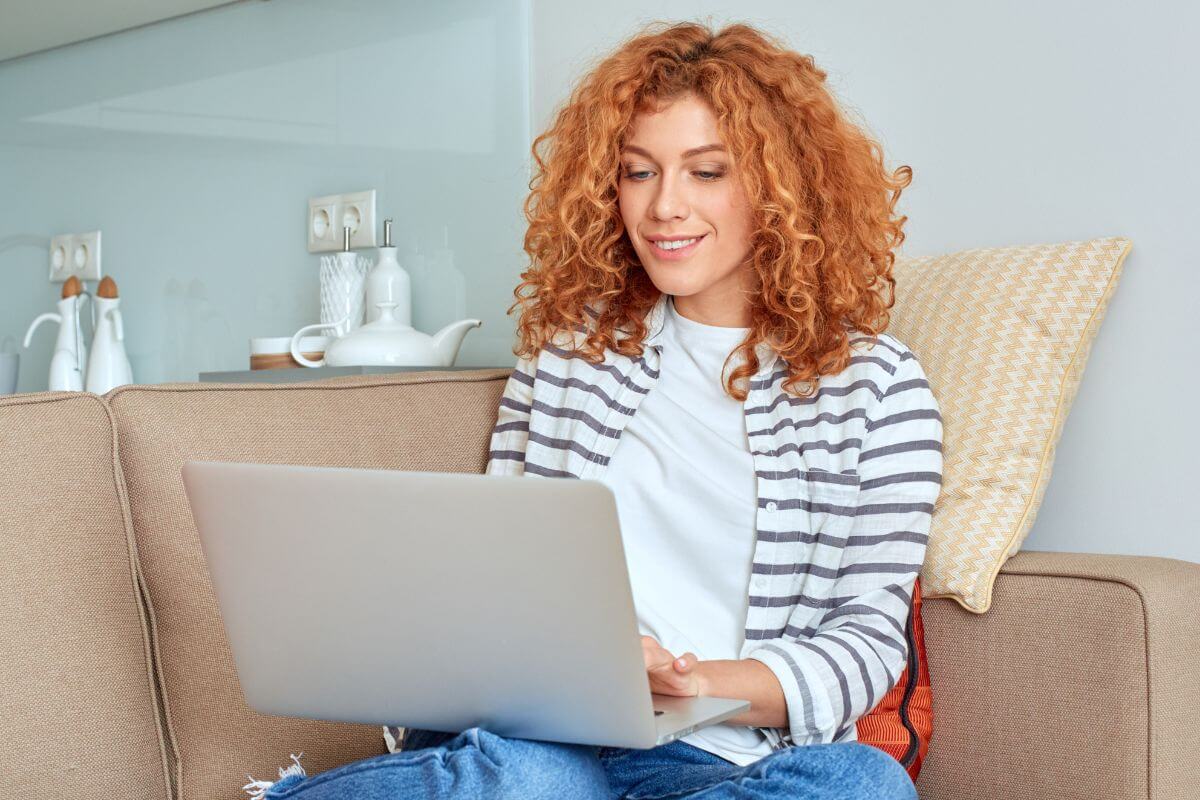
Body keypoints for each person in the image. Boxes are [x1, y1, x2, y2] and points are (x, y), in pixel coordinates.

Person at [244, 19, 942, 800]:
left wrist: (688, 684)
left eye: (707, 172)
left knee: (863, 784)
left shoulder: (878, 386)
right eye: (639, 173)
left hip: (723, 758)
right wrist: (595, 669)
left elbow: (866, 643)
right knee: (533, 783)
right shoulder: (570, 357)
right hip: (545, 738)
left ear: (782, 186)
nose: (665, 207)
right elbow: (494, 572)